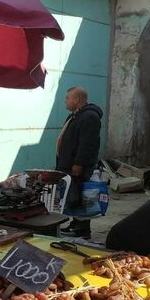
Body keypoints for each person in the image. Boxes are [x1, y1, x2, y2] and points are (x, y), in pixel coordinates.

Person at [56, 86, 103, 238]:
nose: (65, 101)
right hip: (69, 164)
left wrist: (79, 163)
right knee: (73, 196)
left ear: (76, 100)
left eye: (67, 98)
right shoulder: (75, 115)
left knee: (81, 196)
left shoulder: (89, 116)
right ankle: (75, 224)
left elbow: (88, 143)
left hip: (78, 166)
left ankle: (83, 229)